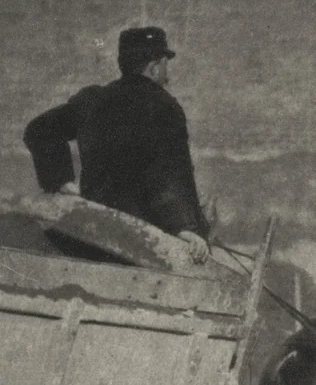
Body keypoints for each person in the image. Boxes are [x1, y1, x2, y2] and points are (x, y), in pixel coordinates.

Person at [23, 26, 211, 262]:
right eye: (164, 64)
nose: (166, 74)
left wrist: (61, 181)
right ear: (153, 67)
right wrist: (185, 229)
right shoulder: (164, 106)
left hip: (94, 230)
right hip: (145, 243)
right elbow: (168, 174)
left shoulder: (92, 100)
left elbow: (39, 130)